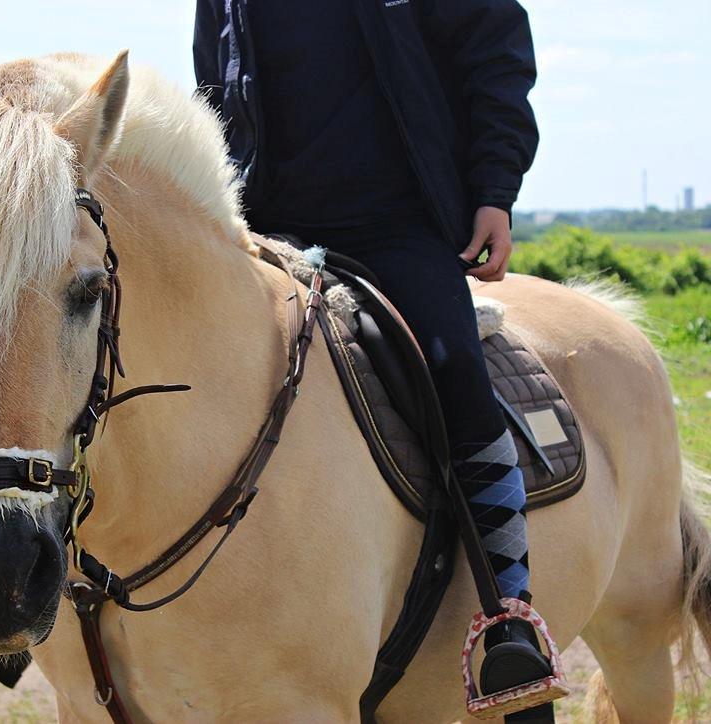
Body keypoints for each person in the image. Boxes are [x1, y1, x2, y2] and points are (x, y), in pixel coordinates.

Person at [194, 1, 557, 720]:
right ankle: (23, 578)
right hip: (258, 226)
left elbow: (495, 46)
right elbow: (214, 88)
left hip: (398, 223)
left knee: (456, 374)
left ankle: (509, 618)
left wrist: (493, 189)